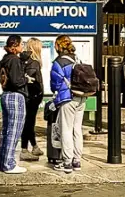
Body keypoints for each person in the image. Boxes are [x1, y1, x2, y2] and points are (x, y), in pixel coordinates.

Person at [50, 35, 87, 173]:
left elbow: (55, 84)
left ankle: (67, 162)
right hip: (81, 97)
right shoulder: (77, 59)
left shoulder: (59, 62)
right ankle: (77, 160)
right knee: (77, 129)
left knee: (66, 129)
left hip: (67, 99)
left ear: (58, 46)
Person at [0, 35, 28, 174]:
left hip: (6, 94)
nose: (23, 46)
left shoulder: (5, 59)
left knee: (6, 131)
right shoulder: (14, 60)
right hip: (15, 96)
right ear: (15, 46)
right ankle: (9, 164)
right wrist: (26, 79)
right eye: (21, 44)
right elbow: (16, 81)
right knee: (14, 131)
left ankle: (2, 162)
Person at [20, 38, 45, 161]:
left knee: (28, 122)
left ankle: (34, 146)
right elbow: (33, 80)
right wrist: (39, 93)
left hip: (26, 95)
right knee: (29, 123)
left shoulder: (23, 60)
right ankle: (25, 149)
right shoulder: (33, 62)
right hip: (32, 96)